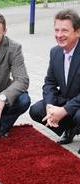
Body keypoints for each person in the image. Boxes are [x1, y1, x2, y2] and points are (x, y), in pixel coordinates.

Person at [29, 9, 80, 149]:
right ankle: (69, 130)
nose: (59, 35)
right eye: (56, 30)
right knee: (36, 110)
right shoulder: (55, 52)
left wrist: (64, 110)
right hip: (67, 99)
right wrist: (50, 107)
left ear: (77, 32)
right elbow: (50, 83)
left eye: (64, 30)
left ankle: (76, 126)